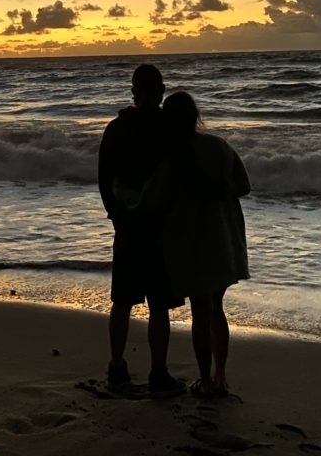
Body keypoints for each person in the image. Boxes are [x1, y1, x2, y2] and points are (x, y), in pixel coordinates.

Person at [141, 90, 251, 397]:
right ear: (196, 117)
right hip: (224, 239)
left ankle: (204, 378)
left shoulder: (170, 159)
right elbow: (244, 187)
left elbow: (151, 202)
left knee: (200, 313)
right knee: (217, 309)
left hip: (189, 242)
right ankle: (220, 376)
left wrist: (123, 197)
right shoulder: (219, 146)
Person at [97, 64, 185, 397]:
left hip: (128, 225)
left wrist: (115, 214)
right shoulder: (169, 129)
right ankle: (158, 373)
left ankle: (117, 367)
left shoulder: (116, 128)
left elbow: (104, 179)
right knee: (159, 305)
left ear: (134, 92)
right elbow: (179, 178)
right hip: (160, 227)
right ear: (161, 91)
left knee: (122, 300)